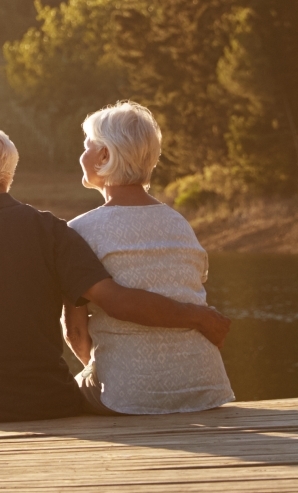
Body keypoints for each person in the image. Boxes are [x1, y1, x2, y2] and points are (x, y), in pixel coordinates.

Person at [0, 124, 229, 424]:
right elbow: (112, 300)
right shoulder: (52, 231)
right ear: (7, 175)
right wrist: (196, 316)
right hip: (47, 402)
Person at [64, 101, 235, 416]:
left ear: (104, 156)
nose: (82, 155)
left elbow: (75, 334)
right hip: (205, 389)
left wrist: (110, 373)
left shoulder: (79, 231)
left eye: (88, 146)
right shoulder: (179, 224)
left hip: (127, 397)